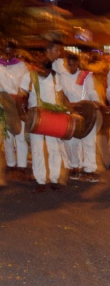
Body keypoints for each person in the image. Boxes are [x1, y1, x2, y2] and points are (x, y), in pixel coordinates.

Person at [21, 60, 65, 191]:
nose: (41, 72)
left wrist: (63, 112)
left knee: (54, 148)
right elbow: (21, 94)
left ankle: (54, 179)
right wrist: (22, 113)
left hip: (52, 116)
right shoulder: (29, 76)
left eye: (44, 70)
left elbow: (60, 95)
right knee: (37, 149)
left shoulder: (56, 77)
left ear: (49, 70)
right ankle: (40, 181)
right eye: (39, 68)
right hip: (35, 117)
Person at [60, 54, 104, 182]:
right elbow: (61, 94)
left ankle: (89, 169)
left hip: (86, 111)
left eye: (74, 64)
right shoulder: (62, 76)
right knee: (71, 142)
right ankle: (74, 167)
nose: (71, 67)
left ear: (78, 64)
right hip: (70, 112)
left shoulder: (85, 76)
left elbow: (91, 91)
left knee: (88, 142)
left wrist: (95, 101)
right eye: (69, 64)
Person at [1, 40, 29, 181]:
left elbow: (25, 85)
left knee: (20, 135)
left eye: (10, 51)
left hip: (18, 103)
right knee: (7, 136)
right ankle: (11, 165)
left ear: (14, 51)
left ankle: (22, 166)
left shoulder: (21, 65)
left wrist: (21, 101)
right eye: (5, 50)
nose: (8, 54)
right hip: (3, 103)